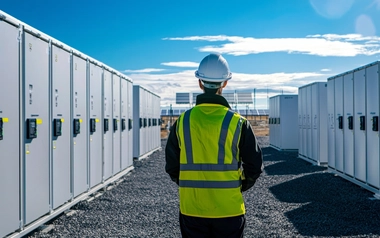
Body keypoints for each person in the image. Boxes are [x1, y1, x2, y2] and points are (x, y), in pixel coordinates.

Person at [165, 53, 263, 238]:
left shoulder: (183, 121)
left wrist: (189, 186)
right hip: (229, 209)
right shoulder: (238, 123)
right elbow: (254, 167)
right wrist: (238, 185)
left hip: (192, 209)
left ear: (200, 83)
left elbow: (172, 166)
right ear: (224, 83)